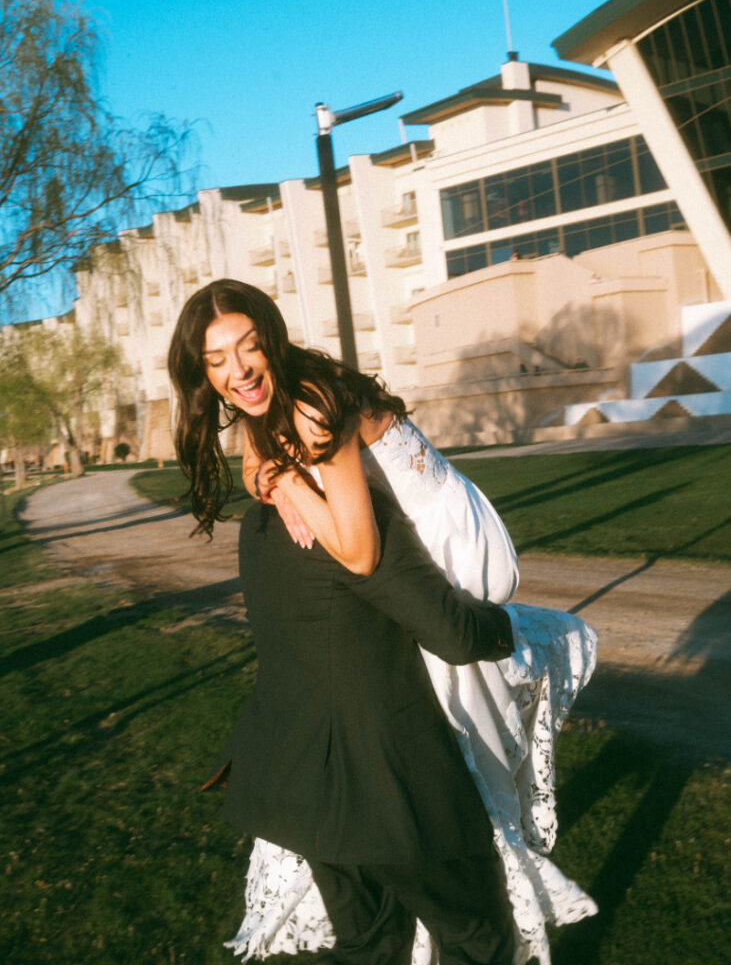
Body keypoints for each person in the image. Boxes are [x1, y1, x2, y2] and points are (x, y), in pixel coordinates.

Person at [168, 279, 598, 965]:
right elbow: (285, 490)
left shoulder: (309, 406)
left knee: (376, 927)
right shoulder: (268, 416)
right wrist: (284, 485)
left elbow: (361, 550)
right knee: (468, 912)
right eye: (217, 359)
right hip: (375, 743)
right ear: (201, 372)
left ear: (273, 342)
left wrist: (298, 491)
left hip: (455, 536)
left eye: (249, 348)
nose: (238, 369)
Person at [202, 486, 518, 964]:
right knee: (478, 939)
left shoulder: (262, 517)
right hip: (386, 785)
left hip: (300, 776)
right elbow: (453, 635)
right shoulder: (355, 521)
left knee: (370, 945)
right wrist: (508, 625)